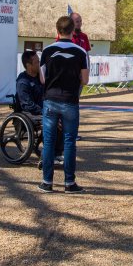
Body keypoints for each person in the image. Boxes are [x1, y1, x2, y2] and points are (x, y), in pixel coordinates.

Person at [39, 16, 89, 193]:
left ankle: (47, 182)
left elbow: (42, 78)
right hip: (70, 100)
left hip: (50, 100)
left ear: (57, 30)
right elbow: (85, 80)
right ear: (72, 30)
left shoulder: (47, 51)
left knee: (49, 141)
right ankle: (69, 182)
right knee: (69, 142)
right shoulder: (80, 52)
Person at [15, 50, 44, 115]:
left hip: (43, 111)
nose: (40, 64)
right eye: (37, 62)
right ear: (28, 65)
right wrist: (44, 112)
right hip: (31, 114)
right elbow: (28, 105)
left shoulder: (41, 77)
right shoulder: (22, 82)